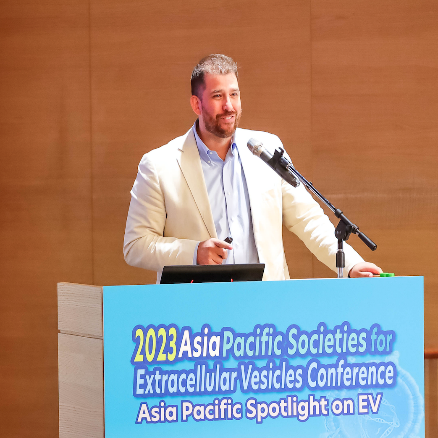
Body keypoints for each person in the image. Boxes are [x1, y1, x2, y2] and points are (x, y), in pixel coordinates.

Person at [123, 54, 382, 282]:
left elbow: (308, 219)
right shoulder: (159, 165)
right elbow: (136, 245)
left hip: (265, 314)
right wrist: (194, 252)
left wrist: (351, 265)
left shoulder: (266, 149)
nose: (229, 106)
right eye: (217, 96)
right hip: (196, 316)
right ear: (196, 104)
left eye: (234, 94)